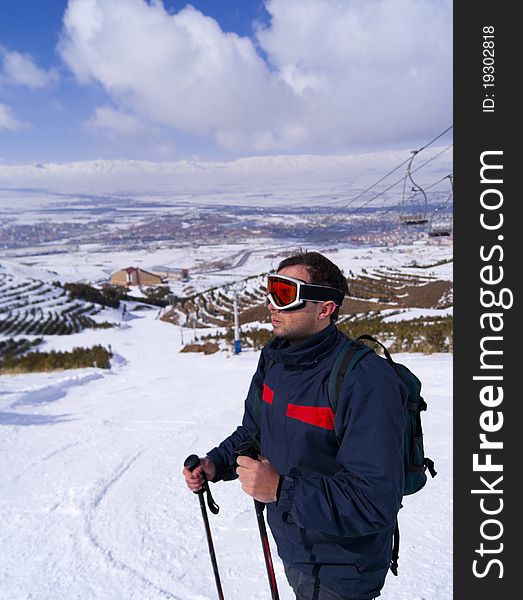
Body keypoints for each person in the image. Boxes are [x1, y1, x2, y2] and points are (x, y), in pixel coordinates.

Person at [183, 250, 407, 600]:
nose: (271, 304)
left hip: (343, 568)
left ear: (325, 308)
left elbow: (374, 499)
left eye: (285, 293)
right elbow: (255, 430)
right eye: (271, 289)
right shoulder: (275, 359)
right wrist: (217, 463)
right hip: (294, 546)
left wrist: (279, 491)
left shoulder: (365, 380)